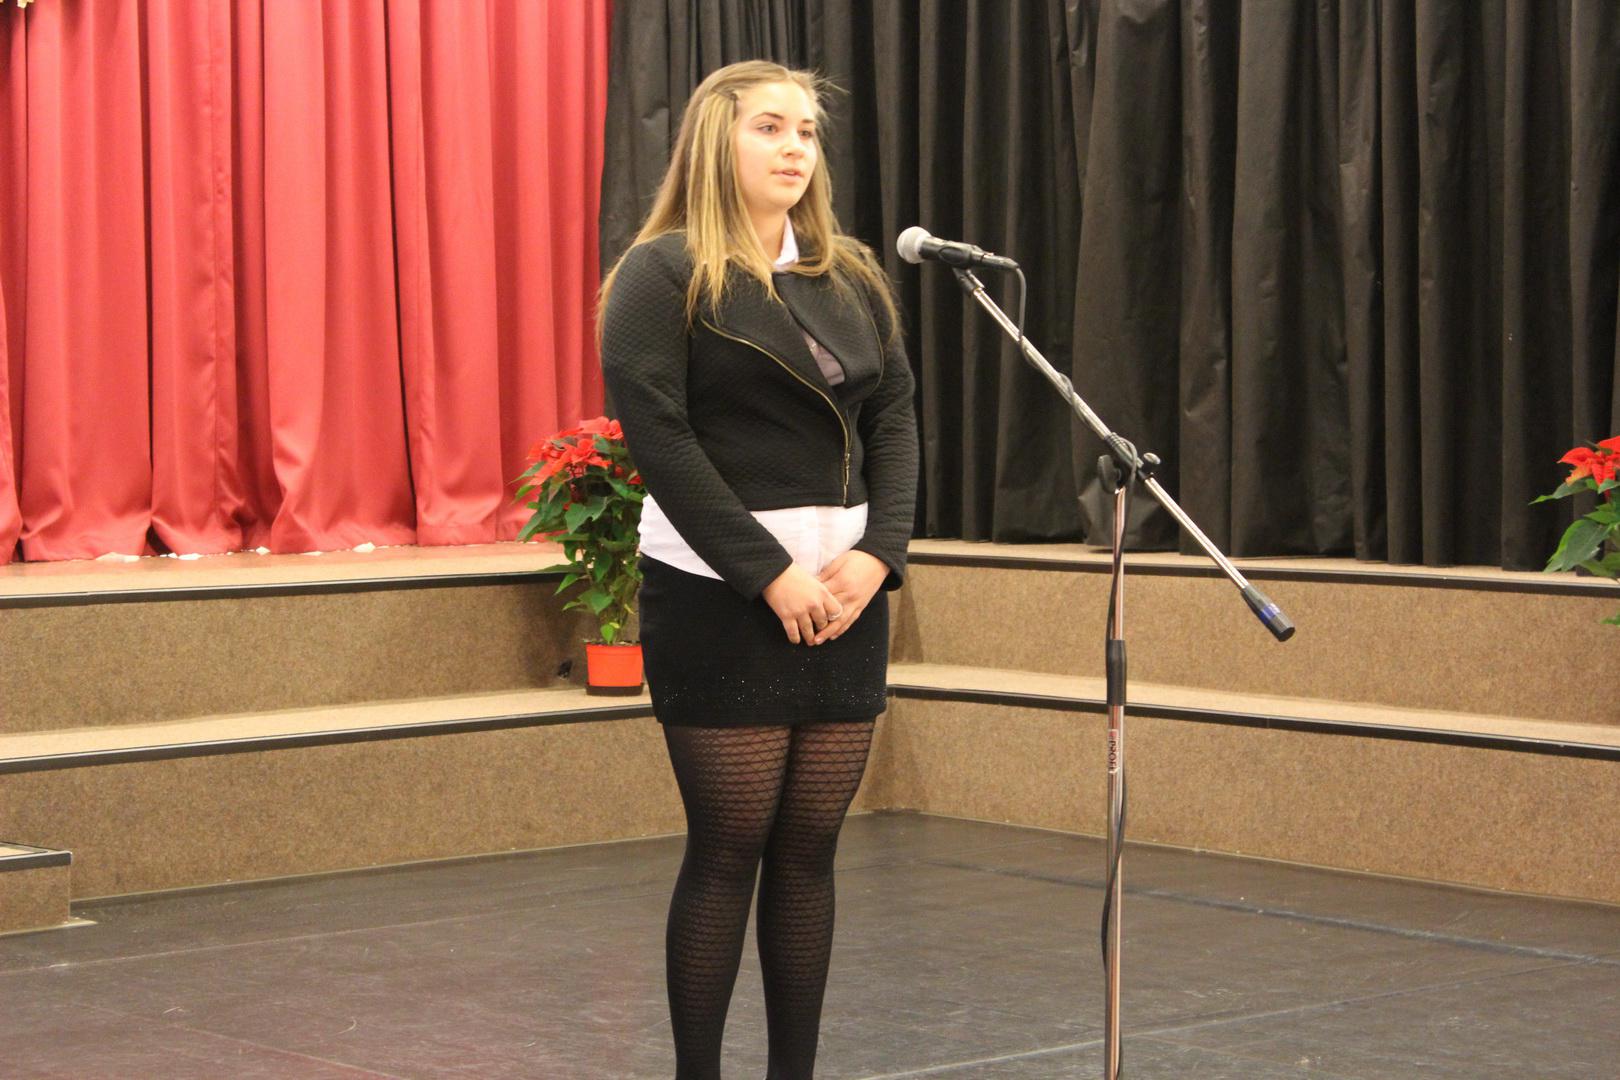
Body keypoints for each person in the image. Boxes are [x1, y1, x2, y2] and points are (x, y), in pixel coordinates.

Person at [597, 60, 919, 1080]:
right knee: (730, 845)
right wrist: (766, 572)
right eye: (769, 127)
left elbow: (895, 418)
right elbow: (661, 438)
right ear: (715, 142)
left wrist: (881, 554)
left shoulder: (848, 274)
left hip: (845, 594)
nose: (794, 148)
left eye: (807, 132)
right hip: (720, 593)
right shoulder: (661, 273)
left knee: (811, 852)